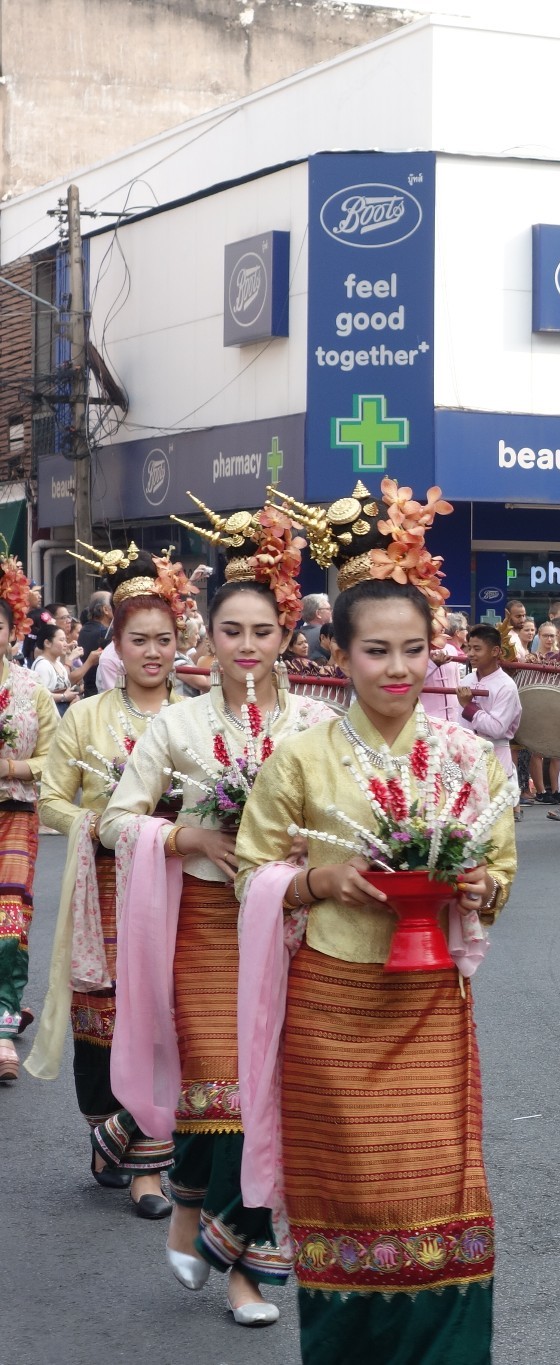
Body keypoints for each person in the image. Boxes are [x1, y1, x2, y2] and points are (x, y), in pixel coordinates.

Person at [236, 563, 516, 1363]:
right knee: (349, 1198)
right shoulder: (299, 758)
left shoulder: (467, 755)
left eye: (415, 650)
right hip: (330, 1004)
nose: (399, 669)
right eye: (378, 651)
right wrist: (316, 880)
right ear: (340, 652)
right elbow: (250, 870)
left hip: (430, 998)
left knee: (444, 1199)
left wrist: (481, 882)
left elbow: (500, 865)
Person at [101, 500, 332, 1327]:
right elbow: (114, 819)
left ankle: (236, 1256)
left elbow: (347, 822)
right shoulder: (178, 723)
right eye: (230, 631)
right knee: (221, 1092)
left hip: (291, 926)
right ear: (209, 636)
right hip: (203, 921)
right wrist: (182, 831)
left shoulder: (316, 724)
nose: (245, 646)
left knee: (267, 1093)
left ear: (286, 635)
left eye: (261, 631)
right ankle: (211, 1226)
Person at [25, 548, 187, 1216]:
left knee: (164, 1021)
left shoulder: (195, 715)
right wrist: (96, 822)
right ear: (115, 643)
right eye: (138, 639)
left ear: (180, 643)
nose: (153, 651)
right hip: (104, 887)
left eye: (165, 639)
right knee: (105, 1022)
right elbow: (51, 796)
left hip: (179, 884)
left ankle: (148, 1169)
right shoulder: (88, 717)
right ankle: (105, 1133)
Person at [0, 557, 60, 1085]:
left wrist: (11, 767)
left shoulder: (32, 690)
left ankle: (1, 1018)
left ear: (10, 630)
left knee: (9, 914)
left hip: (15, 812)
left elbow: (55, 757)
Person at [458, 623, 524, 786]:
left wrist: (469, 707)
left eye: (477, 649)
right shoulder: (467, 680)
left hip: (495, 761)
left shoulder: (506, 686)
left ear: (495, 651)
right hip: (466, 760)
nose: (471, 654)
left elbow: (497, 729)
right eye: (469, 648)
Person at [76, 590, 112, 696]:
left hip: (89, 689)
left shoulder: (84, 629)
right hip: (102, 691)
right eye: (113, 605)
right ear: (105, 609)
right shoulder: (105, 633)